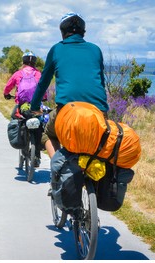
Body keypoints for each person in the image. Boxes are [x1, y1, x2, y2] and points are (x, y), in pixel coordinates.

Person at [30, 12, 109, 159]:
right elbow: (101, 83)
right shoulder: (96, 50)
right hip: (98, 113)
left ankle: (57, 169)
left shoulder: (57, 49)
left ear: (62, 32)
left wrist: (34, 106)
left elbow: (43, 83)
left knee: (47, 132)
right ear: (83, 32)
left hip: (68, 112)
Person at [3, 51, 46, 167]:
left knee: (15, 118)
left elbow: (8, 86)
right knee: (39, 125)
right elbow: (43, 88)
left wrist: (6, 94)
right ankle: (36, 155)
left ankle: (20, 140)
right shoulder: (38, 74)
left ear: (23, 62)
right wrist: (45, 98)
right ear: (34, 63)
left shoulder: (18, 73)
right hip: (35, 106)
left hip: (22, 106)